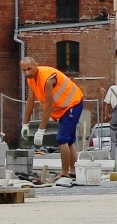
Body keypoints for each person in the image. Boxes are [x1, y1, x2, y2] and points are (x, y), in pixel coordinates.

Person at [20, 57, 84, 187]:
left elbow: (48, 105)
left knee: (62, 139)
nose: (27, 73)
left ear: (36, 65)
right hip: (64, 108)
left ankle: (65, 173)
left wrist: (41, 130)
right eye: (24, 70)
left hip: (73, 104)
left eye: (29, 69)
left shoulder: (47, 78)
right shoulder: (31, 80)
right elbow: (30, 101)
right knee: (69, 140)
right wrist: (25, 124)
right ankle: (74, 171)